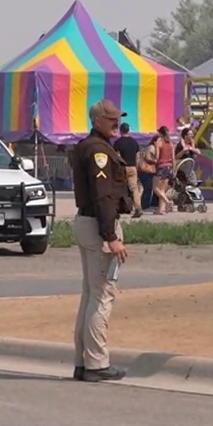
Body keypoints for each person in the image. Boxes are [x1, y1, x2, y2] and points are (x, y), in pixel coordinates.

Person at [67, 100, 132, 382]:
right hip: (98, 225)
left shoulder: (90, 146)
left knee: (90, 294)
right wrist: (111, 237)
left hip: (87, 222)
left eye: (117, 119)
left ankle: (84, 361)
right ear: (96, 121)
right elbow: (103, 196)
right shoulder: (98, 152)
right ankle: (96, 362)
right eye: (110, 119)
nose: (115, 123)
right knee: (102, 294)